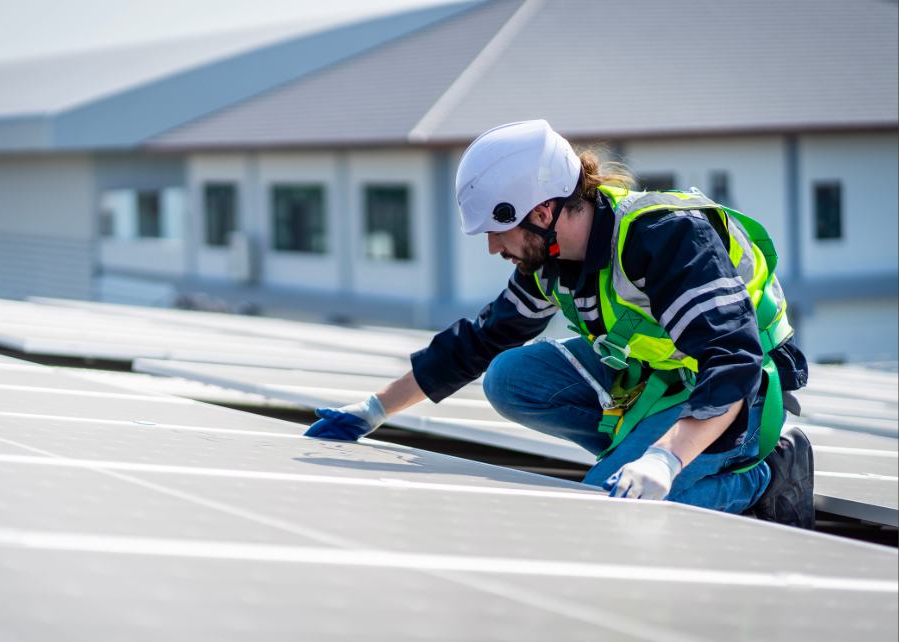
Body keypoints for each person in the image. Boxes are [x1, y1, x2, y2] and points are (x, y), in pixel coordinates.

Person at [305, 120, 814, 528]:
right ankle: (634, 459)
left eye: (499, 230)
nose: (492, 247)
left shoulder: (665, 239)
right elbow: (480, 341)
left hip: (734, 394)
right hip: (654, 381)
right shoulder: (549, 263)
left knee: (608, 510)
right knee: (508, 377)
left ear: (544, 212)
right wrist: (375, 409)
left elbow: (734, 360)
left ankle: (761, 479)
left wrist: (665, 459)